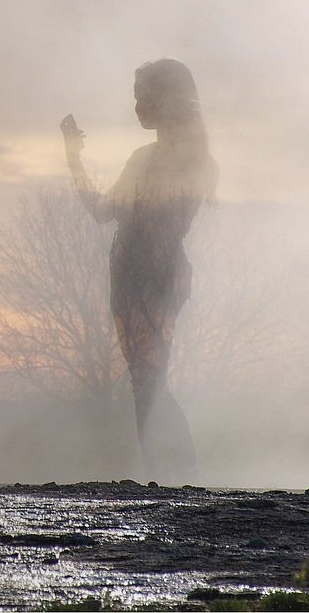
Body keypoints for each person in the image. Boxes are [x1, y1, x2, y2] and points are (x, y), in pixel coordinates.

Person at [60, 58, 218, 482]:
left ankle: (171, 473)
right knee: (147, 379)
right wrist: (74, 159)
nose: (136, 107)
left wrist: (74, 159)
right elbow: (102, 212)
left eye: (142, 97)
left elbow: (115, 213)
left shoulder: (176, 161)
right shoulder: (158, 159)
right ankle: (174, 474)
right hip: (135, 272)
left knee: (148, 379)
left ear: (166, 101)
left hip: (153, 272)